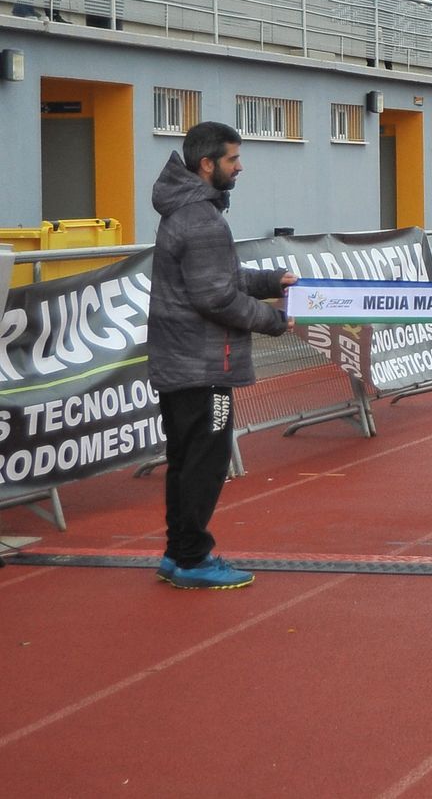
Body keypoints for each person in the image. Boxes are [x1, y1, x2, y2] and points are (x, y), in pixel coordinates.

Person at [148, 121, 296, 590]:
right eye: (233, 159)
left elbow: (222, 278)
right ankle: (192, 557)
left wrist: (274, 283)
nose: (240, 167)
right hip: (204, 365)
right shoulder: (201, 218)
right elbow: (216, 298)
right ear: (207, 164)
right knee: (206, 464)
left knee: (185, 459)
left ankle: (178, 553)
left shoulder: (189, 212)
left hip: (181, 362)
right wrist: (275, 320)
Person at [362, 0, 398, 68]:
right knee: (371, 38)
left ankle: (388, 64)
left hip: (387, 13)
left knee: (388, 40)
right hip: (373, 12)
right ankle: (371, 63)